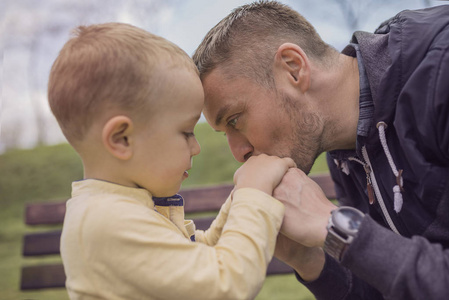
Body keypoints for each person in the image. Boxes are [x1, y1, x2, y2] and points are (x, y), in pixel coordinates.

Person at [193, 1, 449, 299]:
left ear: (293, 67)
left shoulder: (440, 71)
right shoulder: (344, 152)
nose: (238, 153)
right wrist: (310, 260)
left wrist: (339, 226)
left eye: (235, 120)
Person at [48, 22, 297, 300]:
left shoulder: (121, 210)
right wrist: (254, 193)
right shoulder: (106, 222)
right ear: (122, 139)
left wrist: (241, 197)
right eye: (186, 132)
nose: (196, 147)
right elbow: (226, 285)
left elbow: (198, 257)